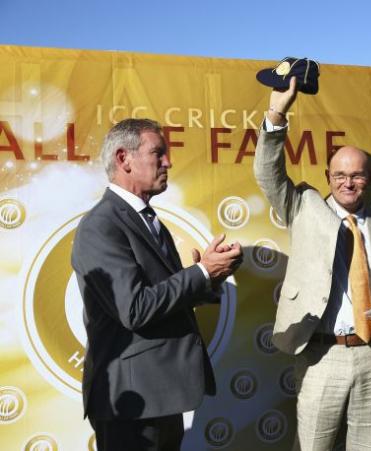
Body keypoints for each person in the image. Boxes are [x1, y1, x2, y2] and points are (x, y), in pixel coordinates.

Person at [253, 77, 371, 450]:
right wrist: (278, 112)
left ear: (368, 180)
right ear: (328, 178)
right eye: (339, 175)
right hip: (320, 355)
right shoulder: (304, 206)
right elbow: (267, 174)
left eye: (356, 175)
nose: (348, 182)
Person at [71, 118, 243, 451]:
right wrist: (201, 273)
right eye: (158, 153)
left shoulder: (147, 220)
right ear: (124, 159)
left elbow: (163, 298)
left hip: (159, 395)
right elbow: (134, 309)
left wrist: (209, 276)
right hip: (132, 404)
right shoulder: (101, 226)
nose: (168, 162)